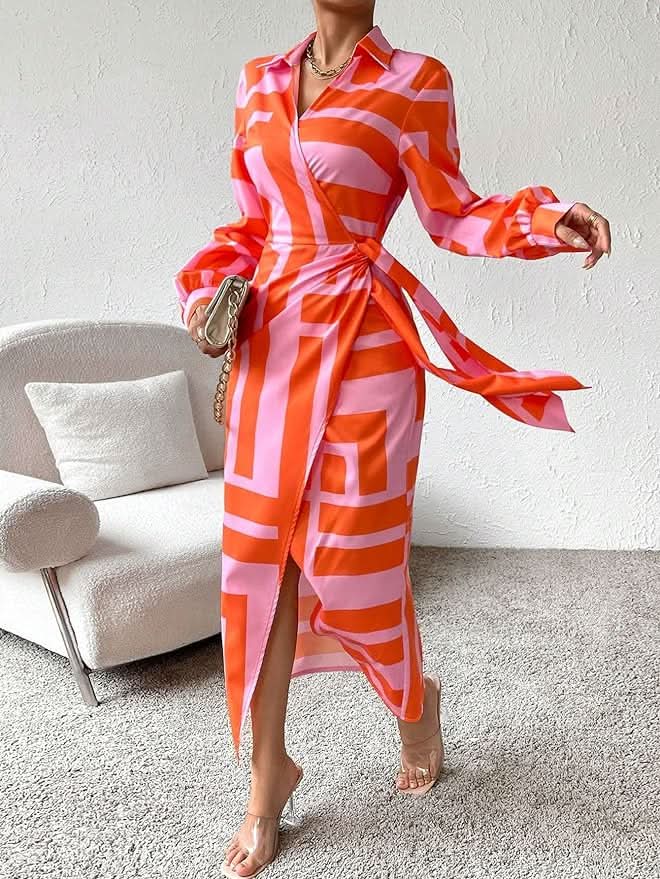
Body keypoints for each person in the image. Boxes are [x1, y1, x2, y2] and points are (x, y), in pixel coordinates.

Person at [174, 3, 611, 877]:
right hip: (271, 344)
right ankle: (267, 777)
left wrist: (543, 220)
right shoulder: (259, 81)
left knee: (355, 561)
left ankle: (416, 705)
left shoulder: (416, 81)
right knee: (262, 559)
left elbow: (454, 212)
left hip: (368, 345)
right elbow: (249, 226)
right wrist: (206, 288)